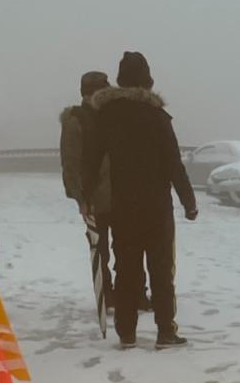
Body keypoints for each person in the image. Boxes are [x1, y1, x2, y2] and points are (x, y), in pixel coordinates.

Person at [82, 51, 197, 349]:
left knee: (126, 268)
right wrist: (188, 200)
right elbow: (174, 162)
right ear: (147, 81)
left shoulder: (105, 116)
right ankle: (165, 332)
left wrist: (86, 197)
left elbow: (90, 159)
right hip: (157, 207)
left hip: (122, 206)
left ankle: (127, 332)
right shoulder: (157, 117)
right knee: (160, 269)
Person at [60, 70, 114, 310]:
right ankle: (108, 294)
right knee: (100, 248)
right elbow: (70, 162)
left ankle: (127, 292)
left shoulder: (108, 116)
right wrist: (79, 198)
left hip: (116, 193)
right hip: (93, 197)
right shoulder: (76, 120)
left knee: (122, 247)